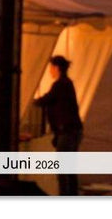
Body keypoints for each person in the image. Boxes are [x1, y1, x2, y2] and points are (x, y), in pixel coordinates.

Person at [34, 55, 83, 195]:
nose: (50, 71)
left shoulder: (60, 84)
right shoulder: (68, 83)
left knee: (63, 169)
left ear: (56, 68)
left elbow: (47, 99)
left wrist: (33, 101)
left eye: (51, 67)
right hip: (73, 131)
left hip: (67, 132)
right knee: (70, 168)